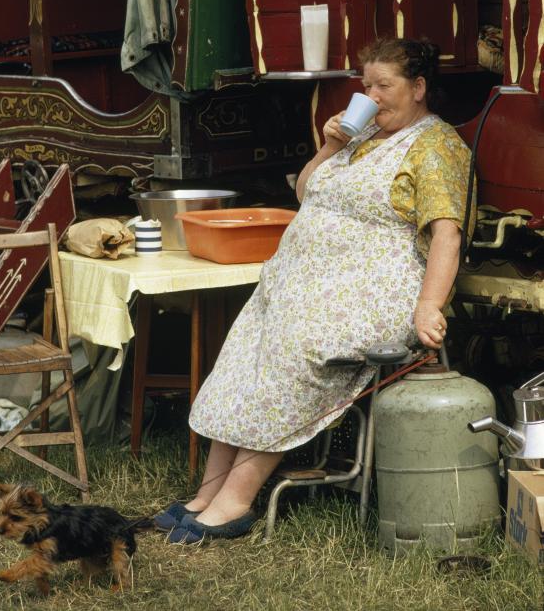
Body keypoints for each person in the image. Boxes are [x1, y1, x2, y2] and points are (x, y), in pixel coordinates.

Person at [158, 37, 474, 544]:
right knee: (245, 350)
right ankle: (206, 493)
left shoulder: (436, 147)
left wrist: (429, 306)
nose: (372, 95)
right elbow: (308, 192)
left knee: (290, 355)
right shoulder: (364, 134)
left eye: (384, 86)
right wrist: (330, 146)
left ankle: (235, 502)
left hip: (370, 295)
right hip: (302, 286)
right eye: (366, 84)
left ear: (418, 88)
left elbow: (446, 233)